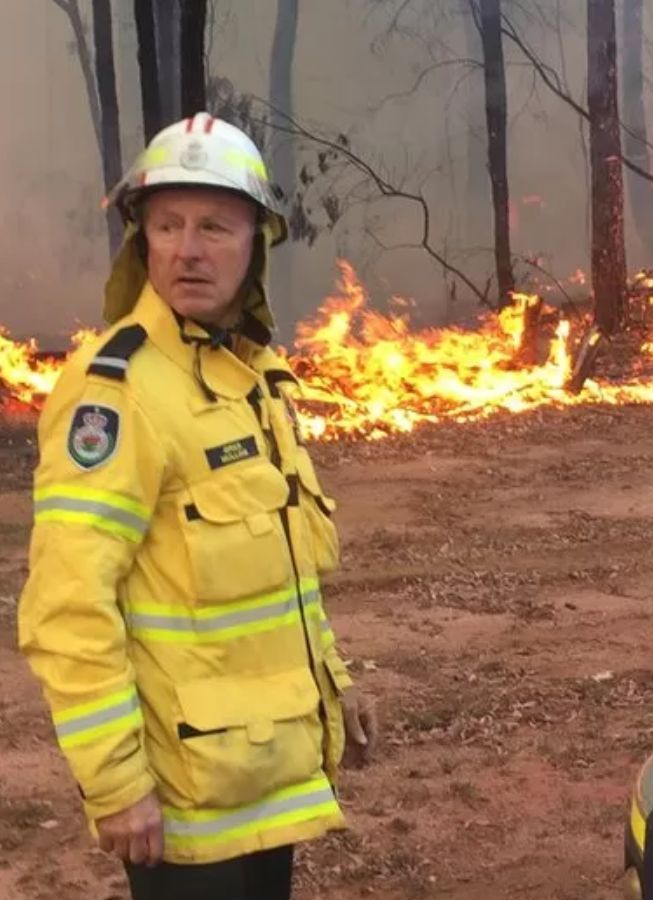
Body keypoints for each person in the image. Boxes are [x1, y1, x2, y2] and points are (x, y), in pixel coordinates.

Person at [17, 112, 377, 900]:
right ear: (141, 241)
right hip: (180, 804)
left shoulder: (251, 379)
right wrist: (116, 784)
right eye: (167, 224)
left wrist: (333, 681)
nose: (187, 248)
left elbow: (275, 572)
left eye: (214, 225)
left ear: (258, 242)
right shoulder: (115, 393)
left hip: (262, 770)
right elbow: (68, 606)